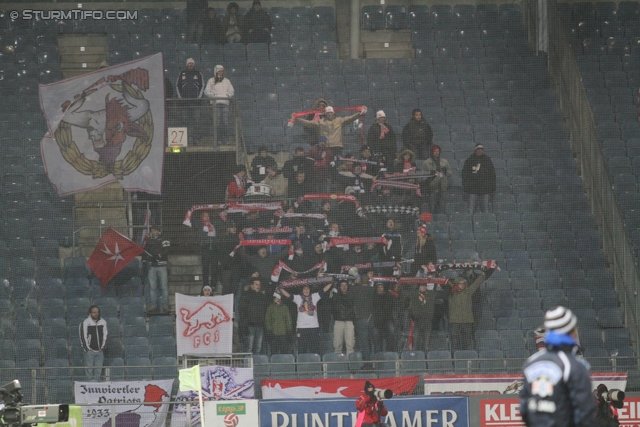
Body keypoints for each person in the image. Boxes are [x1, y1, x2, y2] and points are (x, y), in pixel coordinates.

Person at [520, 306, 597, 427]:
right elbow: (585, 412)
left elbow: (524, 408)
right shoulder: (574, 366)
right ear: (571, 332)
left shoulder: (531, 363)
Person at [279, 282, 333, 354]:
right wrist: (280, 288)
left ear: (310, 290)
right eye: (304, 289)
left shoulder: (314, 296)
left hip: (314, 327)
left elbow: (324, 290)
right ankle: (302, 365)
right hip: (302, 328)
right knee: (302, 350)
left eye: (308, 289)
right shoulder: (298, 298)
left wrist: (331, 283)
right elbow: (288, 295)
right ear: (302, 291)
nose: (306, 290)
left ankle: (314, 364)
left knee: (315, 350)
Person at [448, 267, 492, 353]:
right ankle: (455, 363)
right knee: (455, 345)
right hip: (455, 322)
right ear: (457, 284)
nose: (463, 285)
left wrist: (484, 273)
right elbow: (445, 283)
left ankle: (468, 360)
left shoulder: (468, 292)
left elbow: (477, 282)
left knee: (468, 343)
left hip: (467, 322)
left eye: (464, 283)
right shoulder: (451, 294)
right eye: (461, 283)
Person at [292, 106, 367, 156]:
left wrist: (360, 113)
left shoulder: (339, 120)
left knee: (336, 166)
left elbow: (351, 118)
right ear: (325, 113)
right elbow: (309, 123)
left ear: (333, 113)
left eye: (331, 112)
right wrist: (297, 119)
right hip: (326, 147)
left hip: (337, 147)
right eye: (328, 113)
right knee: (327, 167)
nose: (329, 114)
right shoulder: (320, 122)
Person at [462, 143, 496, 214]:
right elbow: (465, 174)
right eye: (478, 149)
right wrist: (467, 186)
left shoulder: (487, 160)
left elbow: (492, 174)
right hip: (472, 189)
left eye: (481, 149)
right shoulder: (469, 160)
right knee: (471, 210)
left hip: (485, 189)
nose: (480, 151)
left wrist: (491, 187)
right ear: (475, 150)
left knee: (485, 210)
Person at [204, 65, 235, 144]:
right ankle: (217, 140)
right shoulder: (211, 80)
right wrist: (214, 96)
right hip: (215, 104)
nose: (221, 73)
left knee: (225, 122)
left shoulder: (227, 81)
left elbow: (232, 91)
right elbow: (206, 91)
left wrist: (227, 96)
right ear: (216, 72)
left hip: (225, 103)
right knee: (216, 122)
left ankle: (225, 140)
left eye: (222, 71)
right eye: (219, 71)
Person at [238, 278, 269, 354]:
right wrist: (244, 325)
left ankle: (256, 365)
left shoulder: (262, 297)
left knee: (258, 348)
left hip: (260, 326)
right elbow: (242, 311)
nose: (258, 286)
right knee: (249, 348)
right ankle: (248, 365)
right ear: (251, 285)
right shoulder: (245, 296)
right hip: (249, 326)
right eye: (256, 284)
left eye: (259, 284)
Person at [144, 226, 171, 313]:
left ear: (158, 231)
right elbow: (145, 251)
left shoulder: (164, 239)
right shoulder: (149, 240)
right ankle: (153, 306)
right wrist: (147, 259)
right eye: (151, 230)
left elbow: (166, 250)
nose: (152, 232)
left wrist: (158, 256)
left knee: (164, 287)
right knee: (152, 287)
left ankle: (165, 306)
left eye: (154, 230)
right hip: (152, 266)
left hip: (162, 266)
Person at [80, 305, 107, 381]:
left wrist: (102, 347)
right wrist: (87, 349)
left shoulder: (103, 322)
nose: (96, 314)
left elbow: (106, 335)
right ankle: (89, 386)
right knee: (89, 371)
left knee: (98, 371)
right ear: (90, 313)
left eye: (97, 312)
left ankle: (96, 387)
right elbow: (83, 336)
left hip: (100, 351)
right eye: (94, 312)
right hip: (89, 352)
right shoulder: (85, 322)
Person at [421, 145, 452, 214]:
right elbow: (423, 176)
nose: (437, 153)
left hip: (443, 188)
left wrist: (445, 171)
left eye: (438, 151)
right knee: (432, 207)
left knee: (442, 207)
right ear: (432, 152)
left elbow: (450, 173)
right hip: (432, 189)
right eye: (435, 151)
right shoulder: (426, 163)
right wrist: (428, 183)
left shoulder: (444, 162)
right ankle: (432, 223)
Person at [328, 279, 356, 355]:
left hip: (349, 321)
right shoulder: (335, 296)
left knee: (350, 346)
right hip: (338, 321)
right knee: (337, 345)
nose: (344, 287)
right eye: (342, 285)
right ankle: (338, 365)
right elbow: (331, 306)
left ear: (348, 286)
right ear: (339, 287)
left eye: (345, 285)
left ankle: (350, 365)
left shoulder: (352, 295)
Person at [407, 282, 435, 353]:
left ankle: (426, 361)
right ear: (418, 286)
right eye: (422, 285)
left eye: (425, 285)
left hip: (427, 322)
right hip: (417, 322)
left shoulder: (431, 295)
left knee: (426, 344)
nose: (424, 287)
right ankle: (416, 360)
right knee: (416, 343)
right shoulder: (414, 294)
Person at [194, 211, 218, 290]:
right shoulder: (199, 225)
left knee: (214, 267)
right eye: (205, 216)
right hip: (205, 248)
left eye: (208, 216)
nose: (207, 217)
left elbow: (221, 221)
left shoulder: (212, 225)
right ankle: (205, 284)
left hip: (213, 248)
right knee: (205, 268)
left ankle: (214, 285)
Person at [372, 283, 397, 353]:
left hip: (387, 320)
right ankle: (378, 355)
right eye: (378, 287)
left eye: (381, 287)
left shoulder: (389, 297)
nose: (380, 289)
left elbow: (390, 308)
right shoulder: (373, 297)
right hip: (376, 322)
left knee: (392, 331)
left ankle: (389, 352)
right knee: (376, 336)